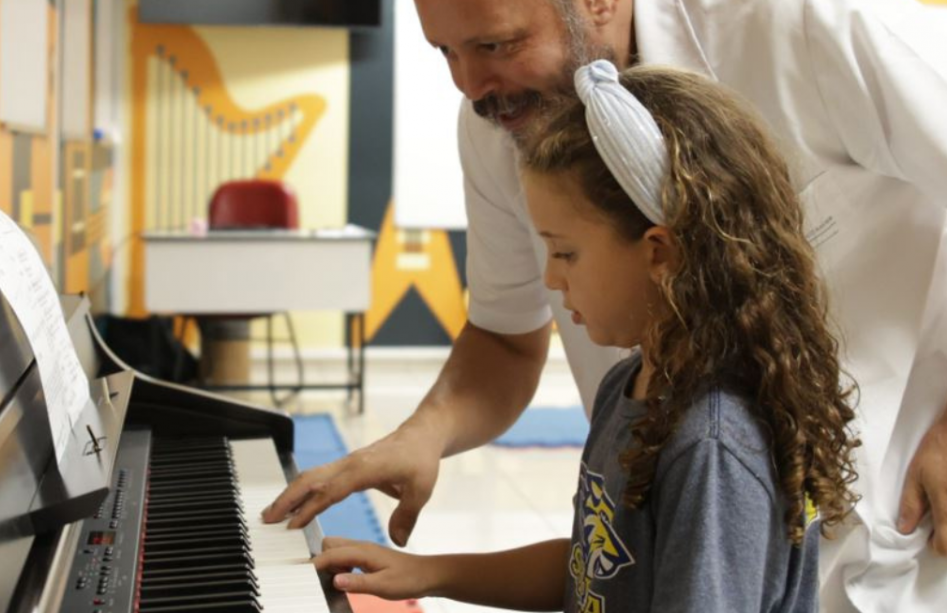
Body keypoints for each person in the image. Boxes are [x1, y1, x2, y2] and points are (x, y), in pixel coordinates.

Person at [264, 0, 947, 609]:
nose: (469, 85)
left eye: (495, 44)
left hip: (905, 529)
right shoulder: (504, 119)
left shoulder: (798, 9)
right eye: (445, 51)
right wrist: (421, 440)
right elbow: (507, 339)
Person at [313, 60, 860, 611]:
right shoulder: (631, 382)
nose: (552, 278)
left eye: (566, 252)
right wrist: (427, 573)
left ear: (659, 253)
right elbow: (593, 567)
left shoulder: (711, 447)